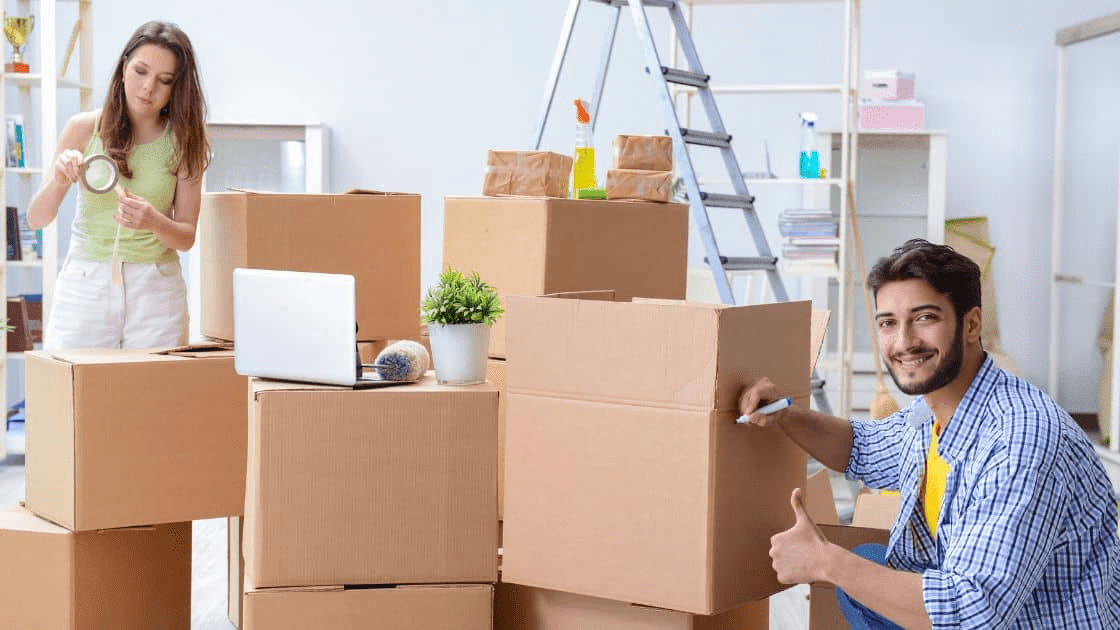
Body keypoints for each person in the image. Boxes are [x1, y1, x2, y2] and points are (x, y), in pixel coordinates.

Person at [739, 238, 1120, 629]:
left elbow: (972, 614)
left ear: (971, 324)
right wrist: (784, 414)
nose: (904, 342)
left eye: (924, 318)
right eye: (888, 322)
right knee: (869, 563)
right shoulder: (932, 413)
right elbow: (862, 448)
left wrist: (826, 561)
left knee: (854, 571)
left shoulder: (1018, 441)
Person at [28, 20, 210, 351]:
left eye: (164, 80)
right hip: (86, 282)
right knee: (74, 393)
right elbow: (36, 219)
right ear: (124, 67)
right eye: (140, 71)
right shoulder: (84, 128)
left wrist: (153, 220)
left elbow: (186, 236)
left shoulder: (185, 141)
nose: (148, 88)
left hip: (156, 289)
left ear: (176, 88)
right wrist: (58, 180)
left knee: (152, 397)